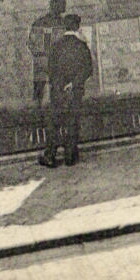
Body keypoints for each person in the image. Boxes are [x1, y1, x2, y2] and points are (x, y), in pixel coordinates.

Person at [38, 13, 94, 167]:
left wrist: (59, 85)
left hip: (58, 90)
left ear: (64, 27)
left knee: (55, 122)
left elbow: (51, 69)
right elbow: (88, 69)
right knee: (72, 121)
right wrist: (74, 83)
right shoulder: (82, 46)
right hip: (75, 91)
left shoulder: (56, 46)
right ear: (78, 27)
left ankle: (50, 155)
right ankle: (70, 156)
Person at [27, 0, 66, 120]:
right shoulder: (62, 23)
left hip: (42, 59)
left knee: (41, 86)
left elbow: (30, 43)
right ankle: (53, 114)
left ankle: (39, 114)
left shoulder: (39, 22)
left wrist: (37, 55)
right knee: (55, 86)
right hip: (51, 59)